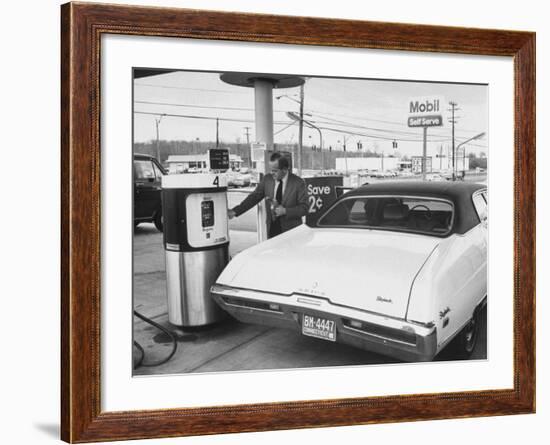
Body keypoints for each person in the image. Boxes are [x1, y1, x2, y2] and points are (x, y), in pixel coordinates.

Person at [228, 152, 308, 238]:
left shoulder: (298, 183)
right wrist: (235, 211)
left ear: (285, 169)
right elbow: (254, 197)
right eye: (270, 170)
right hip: (272, 229)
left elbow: (304, 208)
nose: (271, 173)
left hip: (292, 232)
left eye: (275, 171)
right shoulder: (267, 179)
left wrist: (285, 211)